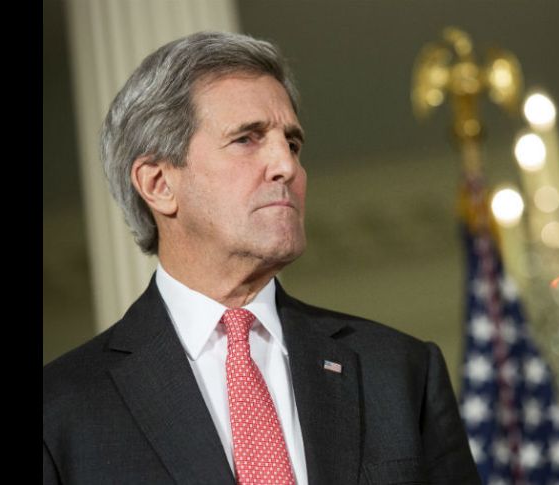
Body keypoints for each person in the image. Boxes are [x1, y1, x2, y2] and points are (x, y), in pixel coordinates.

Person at [43, 31, 480, 485]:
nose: (286, 166)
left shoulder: (399, 373)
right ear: (158, 184)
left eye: (292, 143)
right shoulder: (61, 412)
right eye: (247, 139)